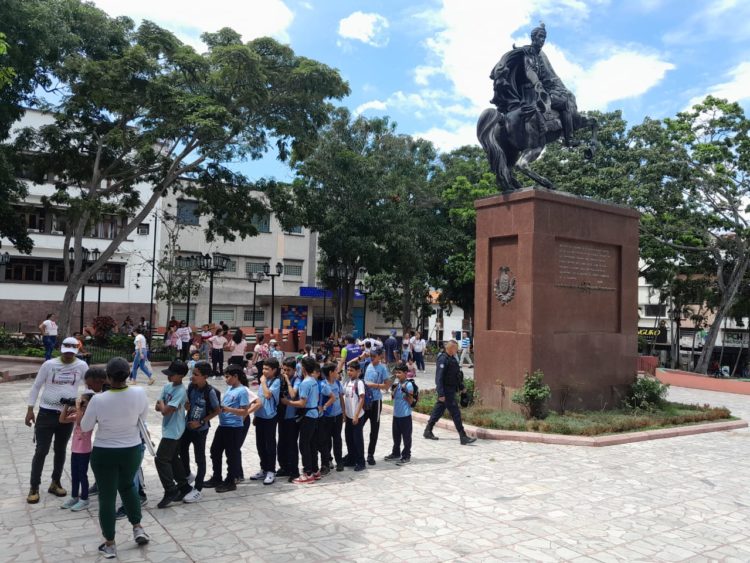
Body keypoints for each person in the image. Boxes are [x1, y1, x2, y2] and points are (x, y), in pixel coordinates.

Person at [80, 357, 151, 559]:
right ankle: (138, 527)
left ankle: (110, 543)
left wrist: (83, 407)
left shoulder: (99, 400)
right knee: (128, 487)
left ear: (107, 377)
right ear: (128, 375)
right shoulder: (139, 393)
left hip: (105, 452)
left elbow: (85, 427)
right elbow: (142, 419)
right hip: (131, 450)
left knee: (107, 497)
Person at [490, 22, 579, 147]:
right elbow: (529, 70)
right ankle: (569, 139)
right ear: (534, 38)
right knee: (564, 104)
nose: (542, 40)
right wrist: (537, 83)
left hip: (537, 90)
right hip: (532, 94)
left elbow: (544, 75)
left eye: (544, 38)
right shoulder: (529, 53)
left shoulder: (538, 55)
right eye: (540, 37)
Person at [25, 336, 88, 504]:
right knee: (42, 450)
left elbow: (88, 387)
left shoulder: (81, 366)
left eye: (72, 352)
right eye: (66, 352)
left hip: (67, 416)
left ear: (76, 350)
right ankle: (34, 486)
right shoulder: (49, 365)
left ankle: (55, 482)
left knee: (60, 450)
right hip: (46, 413)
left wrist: (84, 406)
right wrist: (30, 409)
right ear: (61, 349)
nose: (68, 355)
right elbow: (36, 386)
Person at [204, 365, 251, 493]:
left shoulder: (242, 391)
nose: (226, 379)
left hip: (234, 428)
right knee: (215, 451)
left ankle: (231, 481)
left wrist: (228, 409)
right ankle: (216, 477)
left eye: (227, 377)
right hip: (223, 426)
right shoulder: (230, 388)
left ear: (236, 377)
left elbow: (244, 412)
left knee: (232, 455)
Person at [154, 360, 193, 508]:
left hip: (175, 430)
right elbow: (158, 407)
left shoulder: (181, 391)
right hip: (168, 429)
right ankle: (184, 486)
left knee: (161, 459)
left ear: (181, 376)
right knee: (173, 458)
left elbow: (163, 410)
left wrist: (163, 405)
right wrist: (164, 406)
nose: (169, 377)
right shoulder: (167, 386)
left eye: (172, 374)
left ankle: (170, 489)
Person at [180, 361, 220, 503]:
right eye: (192, 373)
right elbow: (187, 405)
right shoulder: (191, 387)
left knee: (199, 458)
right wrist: (187, 406)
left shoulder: (210, 392)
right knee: (181, 449)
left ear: (205, 376)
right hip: (187, 427)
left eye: (196, 374)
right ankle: (187, 475)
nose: (192, 377)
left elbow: (217, 410)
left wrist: (201, 422)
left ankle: (197, 489)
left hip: (200, 430)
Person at [423, 340, 477, 445]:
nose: (457, 350)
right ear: (451, 348)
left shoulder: (452, 359)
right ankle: (463, 436)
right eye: (456, 348)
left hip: (451, 389)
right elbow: (439, 378)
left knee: (438, 410)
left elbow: (456, 375)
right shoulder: (443, 359)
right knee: (455, 412)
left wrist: (462, 387)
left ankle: (428, 430)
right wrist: (441, 394)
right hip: (446, 391)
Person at [59, 391, 95, 511]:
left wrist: (78, 407)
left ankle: (84, 499)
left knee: (82, 475)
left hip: (84, 450)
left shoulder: (89, 415)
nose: (80, 402)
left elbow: (80, 422)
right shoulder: (78, 412)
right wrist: (66, 406)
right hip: (75, 449)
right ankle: (74, 496)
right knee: (74, 474)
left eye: (83, 401)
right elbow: (62, 420)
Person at [287, 356, 320, 484]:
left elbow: (302, 403)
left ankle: (308, 473)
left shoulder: (305, 383)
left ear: (304, 368)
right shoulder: (313, 380)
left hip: (307, 415)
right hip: (313, 414)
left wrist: (288, 402)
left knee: (304, 445)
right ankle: (314, 470)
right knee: (311, 444)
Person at [250, 358, 281, 485]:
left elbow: (268, 395)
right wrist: (256, 415)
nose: (264, 371)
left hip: (270, 417)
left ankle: (271, 470)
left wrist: (262, 382)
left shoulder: (276, 381)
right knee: (260, 444)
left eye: (267, 369)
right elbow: (260, 398)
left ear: (274, 370)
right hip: (260, 415)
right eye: (263, 368)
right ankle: (263, 468)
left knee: (269, 444)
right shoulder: (265, 380)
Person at [362, 349, 390, 465]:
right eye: (371, 355)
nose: (372, 357)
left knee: (374, 429)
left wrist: (374, 385)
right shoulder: (367, 365)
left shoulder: (382, 368)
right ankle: (356, 453)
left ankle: (370, 454)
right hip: (365, 401)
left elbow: (387, 385)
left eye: (374, 356)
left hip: (376, 401)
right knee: (358, 426)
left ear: (380, 356)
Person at [277, 357, 302, 481]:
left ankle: (294, 471)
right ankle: (284, 467)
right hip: (282, 417)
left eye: (288, 370)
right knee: (281, 444)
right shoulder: (280, 379)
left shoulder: (297, 380)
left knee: (292, 445)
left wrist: (288, 381)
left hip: (292, 418)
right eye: (284, 370)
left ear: (294, 370)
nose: (285, 372)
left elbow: (292, 395)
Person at [384, 363, 414, 465]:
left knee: (406, 437)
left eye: (399, 373)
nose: (397, 375)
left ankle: (406, 455)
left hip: (405, 416)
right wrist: (393, 390)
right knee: (396, 437)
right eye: (396, 372)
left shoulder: (408, 385)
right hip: (396, 415)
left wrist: (405, 392)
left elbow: (411, 401)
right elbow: (393, 398)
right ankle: (396, 453)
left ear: (405, 373)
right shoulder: (397, 385)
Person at [318, 363, 344, 474]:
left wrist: (344, 412)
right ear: (330, 372)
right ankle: (328, 461)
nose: (338, 373)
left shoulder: (338, 383)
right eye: (336, 371)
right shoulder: (323, 384)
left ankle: (339, 461)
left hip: (337, 416)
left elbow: (341, 398)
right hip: (326, 417)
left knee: (337, 439)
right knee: (326, 440)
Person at [343, 361, 366, 472]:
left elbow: (362, 398)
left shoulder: (359, 383)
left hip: (357, 416)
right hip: (348, 415)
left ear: (358, 371)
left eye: (352, 370)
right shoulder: (347, 383)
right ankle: (351, 459)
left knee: (357, 440)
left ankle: (361, 461)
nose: (349, 372)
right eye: (348, 370)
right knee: (349, 438)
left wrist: (356, 415)